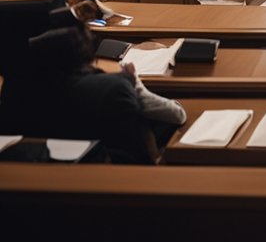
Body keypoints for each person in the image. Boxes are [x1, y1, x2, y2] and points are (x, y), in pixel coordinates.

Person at [0, 23, 185, 164]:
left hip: (35, 183)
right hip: (117, 179)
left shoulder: (16, 91)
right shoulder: (113, 88)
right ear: (87, 58)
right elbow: (177, 115)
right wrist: (135, 84)